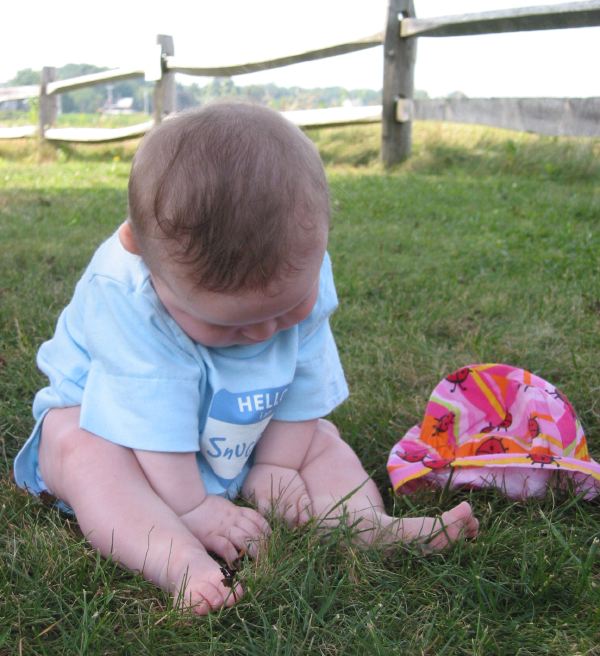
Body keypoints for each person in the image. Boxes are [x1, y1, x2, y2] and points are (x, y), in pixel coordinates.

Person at [14, 102, 479, 615]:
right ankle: (181, 561)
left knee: (320, 441)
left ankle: (368, 524)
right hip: (123, 433)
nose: (263, 332)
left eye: (285, 311)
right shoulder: (126, 298)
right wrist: (194, 507)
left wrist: (277, 464)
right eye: (229, 324)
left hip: (238, 427)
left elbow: (304, 385)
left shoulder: (300, 263)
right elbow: (150, 417)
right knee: (82, 451)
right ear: (145, 261)